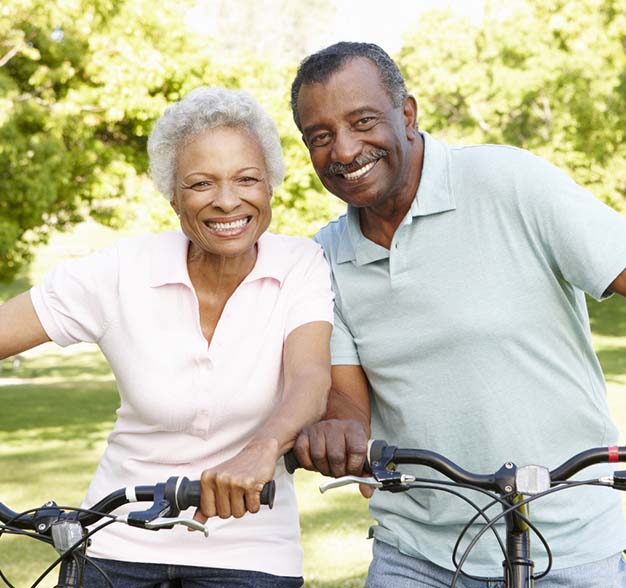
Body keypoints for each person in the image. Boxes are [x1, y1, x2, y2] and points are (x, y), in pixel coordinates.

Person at [289, 41, 626, 588]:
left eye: (363, 121)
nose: (345, 151)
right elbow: (349, 401)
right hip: (416, 554)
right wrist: (339, 436)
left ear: (408, 113)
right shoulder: (323, 256)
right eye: (320, 136)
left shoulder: (509, 182)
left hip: (569, 542)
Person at [0, 86, 334, 587]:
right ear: (173, 195)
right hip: (115, 538)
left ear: (270, 186)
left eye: (247, 179)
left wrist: (261, 450)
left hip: (252, 547)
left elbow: (310, 378)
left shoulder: (300, 265)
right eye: (201, 183)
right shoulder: (119, 272)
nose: (227, 201)